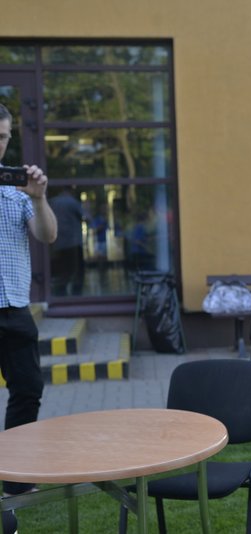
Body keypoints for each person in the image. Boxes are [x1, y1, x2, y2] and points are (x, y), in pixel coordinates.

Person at [0, 103, 58, 499]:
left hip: (15, 309)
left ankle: (16, 481)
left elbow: (47, 235)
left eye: (3, 137)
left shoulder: (16, 188)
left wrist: (38, 199)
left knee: (28, 389)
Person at [49, 187, 85, 296]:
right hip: (73, 242)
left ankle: (61, 293)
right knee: (77, 271)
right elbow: (86, 216)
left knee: (62, 271)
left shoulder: (53, 201)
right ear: (71, 190)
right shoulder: (72, 202)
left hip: (57, 242)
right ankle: (76, 295)